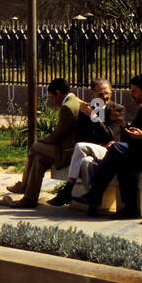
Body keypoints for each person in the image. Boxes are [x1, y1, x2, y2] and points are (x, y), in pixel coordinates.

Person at [79, 74, 142, 219]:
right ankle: (128, 208)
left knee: (118, 151)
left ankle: (94, 195)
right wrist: (122, 123)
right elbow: (133, 133)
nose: (131, 95)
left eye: (134, 91)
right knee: (119, 154)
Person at [47, 78, 126, 207]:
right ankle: (93, 203)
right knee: (85, 162)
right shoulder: (86, 110)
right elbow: (80, 136)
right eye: (101, 94)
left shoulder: (117, 109)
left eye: (108, 93)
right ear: (93, 94)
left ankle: (67, 190)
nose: (105, 97)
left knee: (80, 147)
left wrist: (94, 118)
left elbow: (110, 135)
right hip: (92, 150)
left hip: (110, 151)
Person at [9, 78, 87, 208]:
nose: (54, 102)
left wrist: (43, 142)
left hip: (67, 152)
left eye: (53, 98)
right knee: (39, 159)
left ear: (58, 93)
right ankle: (29, 198)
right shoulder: (73, 100)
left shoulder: (67, 107)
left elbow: (58, 135)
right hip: (66, 148)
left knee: (35, 147)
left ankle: (23, 185)